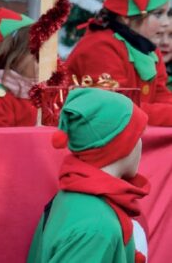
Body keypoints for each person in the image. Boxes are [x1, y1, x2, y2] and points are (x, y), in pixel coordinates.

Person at [28, 88, 150, 263]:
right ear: (122, 145)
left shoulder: (74, 197)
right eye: (138, 135)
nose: (141, 144)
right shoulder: (97, 227)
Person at [66, 0, 172, 126]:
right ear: (126, 17)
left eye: (168, 14)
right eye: (158, 14)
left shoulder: (149, 49)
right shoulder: (100, 48)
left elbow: (162, 97)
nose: (167, 23)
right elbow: (118, 110)